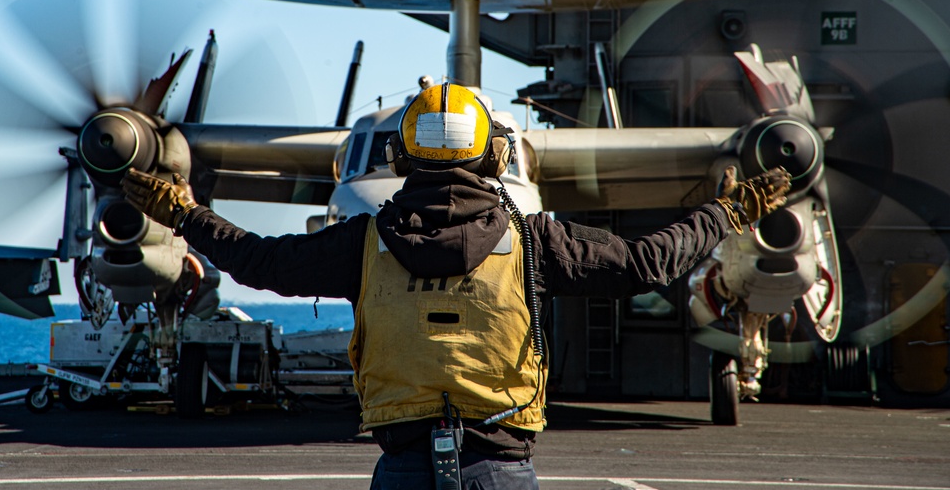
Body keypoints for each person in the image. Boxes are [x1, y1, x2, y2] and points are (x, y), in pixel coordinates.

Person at [122, 82, 790, 489]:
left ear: (402, 157)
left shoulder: (363, 240)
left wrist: (181, 212)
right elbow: (649, 261)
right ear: (497, 156)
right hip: (502, 461)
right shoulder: (536, 239)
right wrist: (728, 213)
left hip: (405, 460)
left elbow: (257, 260)